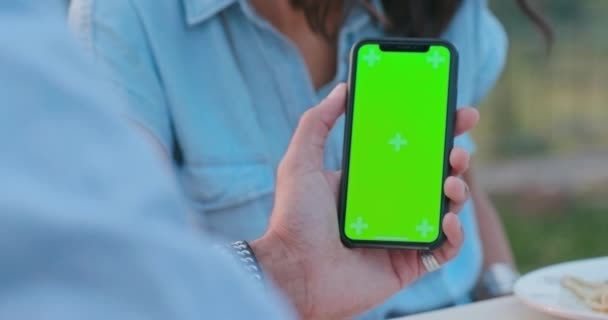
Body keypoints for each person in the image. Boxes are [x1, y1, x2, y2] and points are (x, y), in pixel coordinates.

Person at [1, 1, 479, 319]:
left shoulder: (443, 8)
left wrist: (506, 286)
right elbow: (115, 270)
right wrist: (287, 270)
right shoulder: (123, 17)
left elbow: (464, 178)